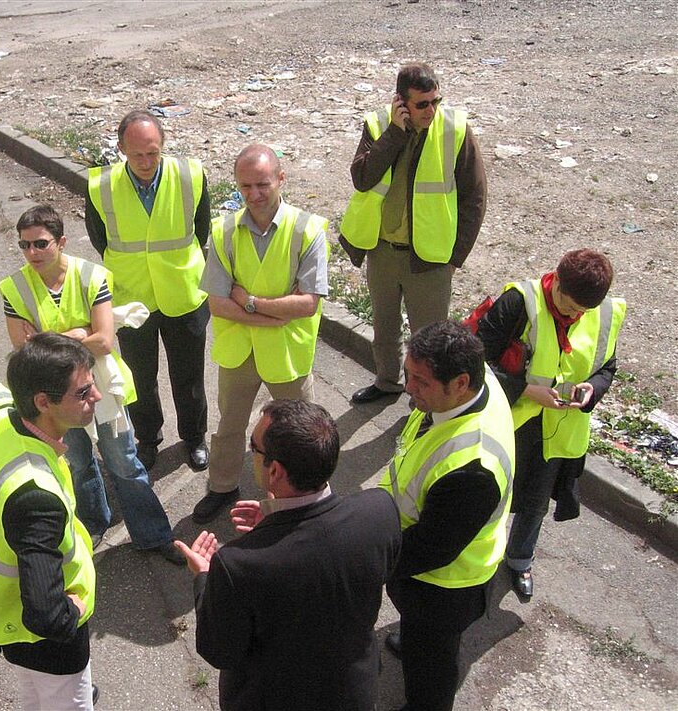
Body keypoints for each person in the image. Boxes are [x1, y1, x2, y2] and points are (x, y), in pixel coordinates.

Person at [177, 399, 401, 711]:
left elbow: (219, 651)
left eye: (253, 448)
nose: (250, 455)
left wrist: (204, 577)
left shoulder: (236, 565)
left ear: (276, 471)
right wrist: (275, 520)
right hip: (353, 692)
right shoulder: (379, 510)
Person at [0, 204, 183, 565]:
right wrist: (79, 332)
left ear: (62, 241)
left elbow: (104, 342)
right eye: (24, 245)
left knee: (124, 461)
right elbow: (24, 352)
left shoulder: (90, 275)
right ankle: (94, 523)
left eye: (40, 244)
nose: (31, 253)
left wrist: (49, 338)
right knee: (78, 461)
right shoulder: (13, 287)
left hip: (98, 387)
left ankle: (153, 534)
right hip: (55, 394)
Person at [476, 249, 625, 602]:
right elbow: (476, 359)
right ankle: (476, 560)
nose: (574, 315)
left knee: (535, 503)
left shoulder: (602, 312)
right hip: (509, 424)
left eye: (581, 312)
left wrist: (592, 389)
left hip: (557, 431)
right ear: (555, 279)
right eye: (569, 305)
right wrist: (527, 390)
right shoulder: (518, 302)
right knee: (487, 496)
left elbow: (607, 366)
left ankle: (519, 560)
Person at [379, 321, 514, 711]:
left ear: (459, 383)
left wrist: (368, 556)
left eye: (420, 381)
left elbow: (430, 550)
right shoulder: (479, 377)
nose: (409, 388)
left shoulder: (473, 467)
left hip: (443, 586)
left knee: (431, 669)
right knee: (418, 635)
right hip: (428, 575)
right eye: (408, 374)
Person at [193, 144, 329, 523]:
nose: (253, 194)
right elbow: (217, 303)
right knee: (230, 427)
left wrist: (249, 301)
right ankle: (222, 487)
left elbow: (307, 304)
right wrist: (273, 314)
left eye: (262, 184)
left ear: (281, 179)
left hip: (287, 355)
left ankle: (302, 501)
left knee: (301, 435)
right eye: (245, 185)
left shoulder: (308, 229)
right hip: (241, 351)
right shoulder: (223, 231)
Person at [0, 333, 100, 711]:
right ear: (43, 402)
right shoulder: (35, 497)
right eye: (83, 392)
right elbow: (47, 616)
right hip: (49, 648)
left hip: (6, 620)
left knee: (34, 700)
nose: (97, 398)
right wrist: (72, 609)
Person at [340, 63, 487, 405]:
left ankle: (426, 404)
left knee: (431, 343)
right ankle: (387, 382)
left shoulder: (455, 130)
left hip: (431, 258)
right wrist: (395, 132)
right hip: (383, 251)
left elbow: (474, 198)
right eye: (422, 104)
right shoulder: (378, 125)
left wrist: (454, 258)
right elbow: (363, 178)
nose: (431, 110)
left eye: (436, 100)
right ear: (401, 103)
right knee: (384, 331)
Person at [86, 109, 211, 471]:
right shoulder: (100, 185)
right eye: (137, 154)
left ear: (163, 145)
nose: (145, 162)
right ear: (121, 147)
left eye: (153, 153)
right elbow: (101, 239)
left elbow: (199, 231)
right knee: (139, 376)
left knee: (189, 375)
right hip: (130, 297)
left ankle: (194, 437)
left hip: (183, 293)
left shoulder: (190, 175)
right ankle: (148, 438)